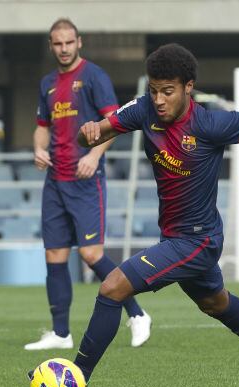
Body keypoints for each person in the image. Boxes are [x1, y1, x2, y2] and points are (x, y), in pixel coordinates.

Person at [52, 43, 239, 387]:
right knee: (214, 302)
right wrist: (93, 129)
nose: (159, 99)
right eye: (154, 90)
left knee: (113, 287)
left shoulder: (210, 123)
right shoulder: (144, 110)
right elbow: (109, 124)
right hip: (175, 237)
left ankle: (74, 378)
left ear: (188, 87)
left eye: (168, 91)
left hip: (197, 241)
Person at [25, 18, 151, 351]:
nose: (63, 48)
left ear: (79, 42)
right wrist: (38, 148)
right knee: (54, 254)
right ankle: (61, 334)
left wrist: (94, 156)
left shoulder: (94, 77)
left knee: (92, 254)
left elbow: (115, 123)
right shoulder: (47, 83)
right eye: (57, 43)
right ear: (51, 45)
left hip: (85, 179)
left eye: (69, 42)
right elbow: (42, 125)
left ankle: (137, 314)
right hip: (55, 180)